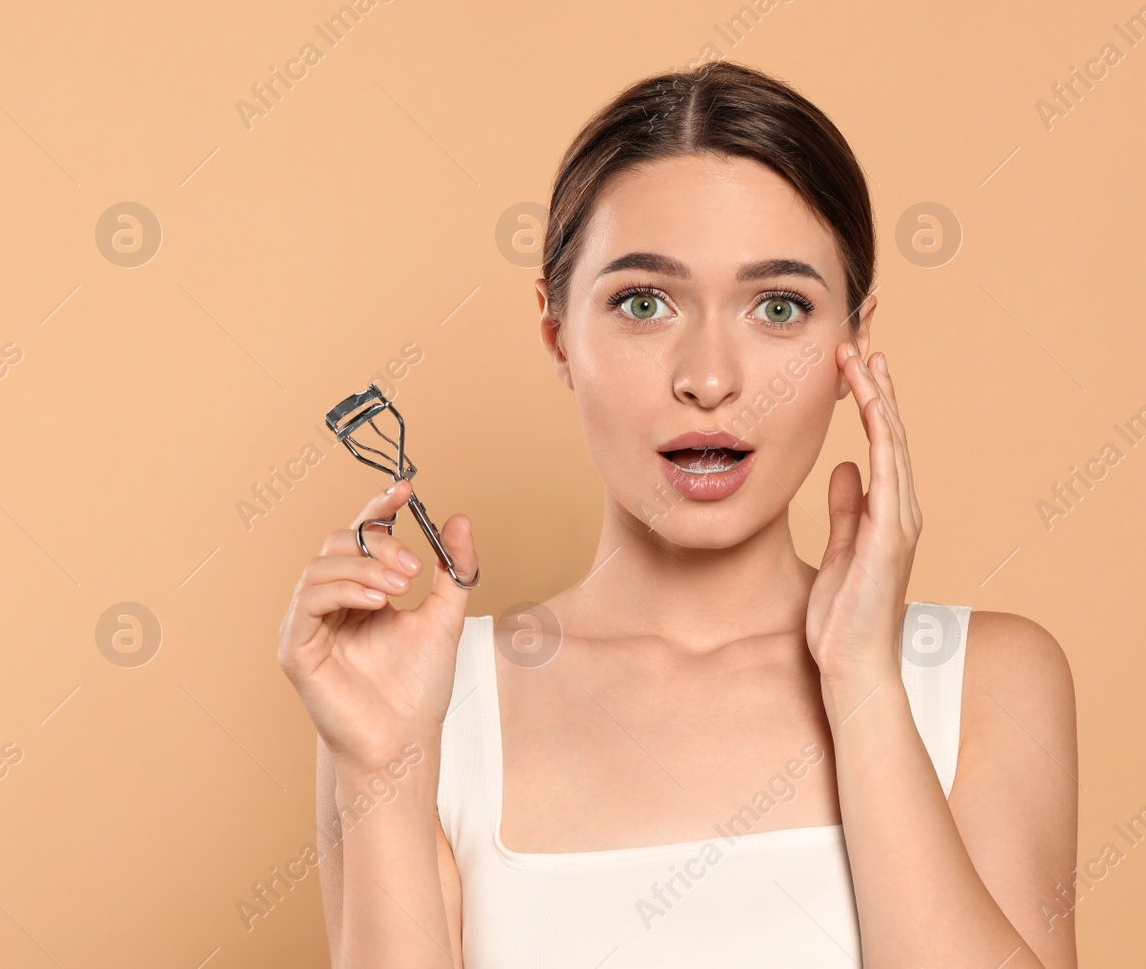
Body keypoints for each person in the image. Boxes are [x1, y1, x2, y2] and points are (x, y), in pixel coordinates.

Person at [278, 61, 1078, 968]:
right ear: (558, 337)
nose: (708, 377)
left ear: (854, 342)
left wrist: (861, 680)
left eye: (779, 307)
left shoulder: (985, 683)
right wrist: (383, 759)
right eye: (643, 303)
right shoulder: (423, 699)